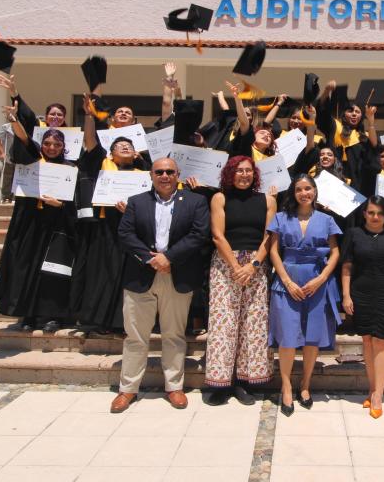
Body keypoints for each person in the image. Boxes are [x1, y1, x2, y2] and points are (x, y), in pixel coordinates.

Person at [110, 157, 211, 413]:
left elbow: (199, 234)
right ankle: (128, 389)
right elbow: (125, 234)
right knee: (135, 337)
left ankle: (174, 386)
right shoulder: (137, 202)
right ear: (151, 175)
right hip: (141, 275)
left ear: (178, 175)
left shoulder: (195, 201)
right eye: (159, 172)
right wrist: (149, 258)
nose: (164, 176)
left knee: (174, 335)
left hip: (177, 275)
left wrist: (170, 258)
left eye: (169, 172)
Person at [0, 104, 77, 334]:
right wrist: (14, 120)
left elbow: (75, 201)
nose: (51, 147)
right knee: (26, 268)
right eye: (47, 143)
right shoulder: (31, 162)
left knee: (53, 272)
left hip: (57, 227)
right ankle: (28, 314)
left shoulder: (70, 169)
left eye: (57, 144)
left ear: (63, 147)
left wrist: (60, 205)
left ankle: (53, 316)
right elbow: (25, 140)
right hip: (31, 225)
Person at [71, 93, 149, 333]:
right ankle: (97, 320)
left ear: (136, 152)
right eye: (119, 146)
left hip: (134, 229)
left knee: (126, 275)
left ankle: (121, 323)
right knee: (103, 272)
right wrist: (89, 115)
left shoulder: (143, 171)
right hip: (105, 226)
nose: (124, 147)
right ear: (111, 152)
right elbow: (91, 140)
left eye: (129, 146)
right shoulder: (101, 163)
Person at [204, 156, 277, 405]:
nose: (243, 175)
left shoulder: (268, 200)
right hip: (226, 264)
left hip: (256, 264)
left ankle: (245, 382)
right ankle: (222, 383)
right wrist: (236, 266)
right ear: (229, 174)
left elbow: (269, 237)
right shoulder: (220, 198)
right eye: (238, 171)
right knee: (224, 323)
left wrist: (253, 265)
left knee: (253, 323)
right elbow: (217, 235)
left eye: (248, 171)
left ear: (254, 174)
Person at [267, 175, 342, 416]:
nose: (304, 193)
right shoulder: (280, 217)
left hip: (317, 282)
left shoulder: (327, 219)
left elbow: (335, 252)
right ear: (293, 193)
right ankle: (287, 385)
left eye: (308, 188)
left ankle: (306, 384)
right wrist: (286, 281)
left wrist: (321, 279)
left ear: (315, 191)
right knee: (288, 337)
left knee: (312, 337)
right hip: (287, 281)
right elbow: (274, 251)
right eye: (299, 189)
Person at [341, 196, 384, 419]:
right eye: (371, 212)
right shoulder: (354, 234)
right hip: (361, 293)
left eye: (380, 213)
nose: (375, 217)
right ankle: (372, 390)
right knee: (367, 340)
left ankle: (379, 395)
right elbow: (347, 267)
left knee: (381, 341)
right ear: (364, 213)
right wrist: (346, 296)